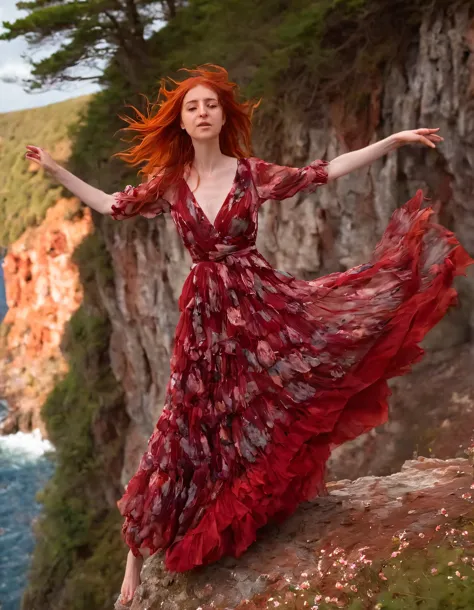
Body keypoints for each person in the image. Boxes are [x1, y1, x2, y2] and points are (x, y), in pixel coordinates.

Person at [25, 64, 474, 607]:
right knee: (186, 417)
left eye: (210, 103)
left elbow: (323, 172)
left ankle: (257, 504)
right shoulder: (170, 183)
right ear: (183, 123)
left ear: (223, 115)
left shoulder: (250, 173)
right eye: (192, 107)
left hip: (260, 303)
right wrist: (55, 169)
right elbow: (109, 204)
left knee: (274, 398)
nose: (202, 112)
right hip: (205, 316)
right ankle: (135, 555)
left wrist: (393, 138)